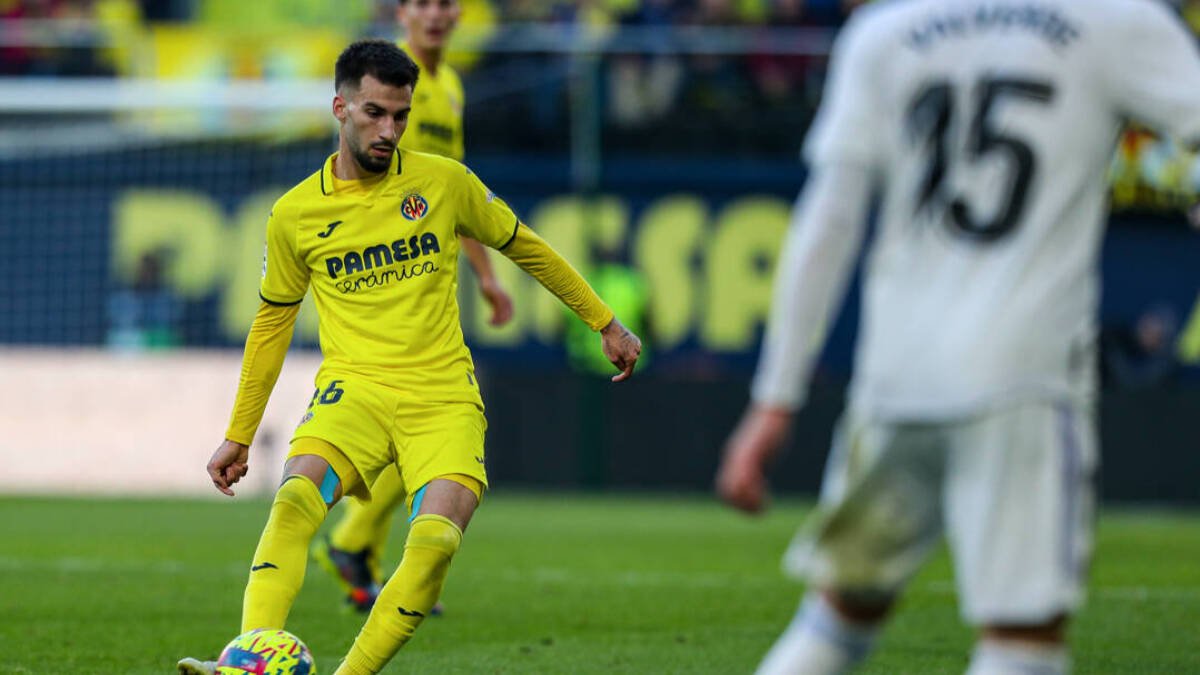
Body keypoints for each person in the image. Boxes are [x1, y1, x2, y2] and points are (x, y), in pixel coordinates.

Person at [714, 1, 1200, 673]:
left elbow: (826, 222)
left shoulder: (886, 31)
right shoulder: (1111, 21)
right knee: (1021, 640)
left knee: (840, 614)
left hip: (894, 378)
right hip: (1022, 378)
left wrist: (774, 399)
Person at [178, 39, 641, 675]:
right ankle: (252, 662)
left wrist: (604, 320)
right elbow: (271, 326)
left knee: (434, 544)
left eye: (400, 115)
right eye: (374, 113)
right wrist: (239, 434)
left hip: (443, 394)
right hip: (354, 390)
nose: (389, 130)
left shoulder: (443, 182)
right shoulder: (293, 215)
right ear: (339, 107)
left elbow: (523, 244)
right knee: (292, 502)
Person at [311, 0, 515, 615]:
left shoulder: (446, 87)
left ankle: (353, 544)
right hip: (379, 278)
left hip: (427, 272)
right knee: (426, 413)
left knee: (434, 417)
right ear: (402, 12)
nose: (437, 14)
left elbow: (454, 190)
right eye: (423, 3)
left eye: (447, 3)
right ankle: (351, 541)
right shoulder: (377, 87)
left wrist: (485, 275)